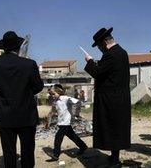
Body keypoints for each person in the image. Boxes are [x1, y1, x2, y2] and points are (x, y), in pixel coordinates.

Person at [0, 31, 44, 168]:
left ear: (3, 47)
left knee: (8, 150)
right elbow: (38, 86)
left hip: (4, 113)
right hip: (26, 113)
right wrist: (25, 93)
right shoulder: (29, 64)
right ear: (18, 47)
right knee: (28, 150)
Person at [84, 27, 131, 167]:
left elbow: (98, 73)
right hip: (118, 98)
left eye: (99, 46)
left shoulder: (111, 54)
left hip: (111, 100)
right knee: (114, 129)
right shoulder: (121, 52)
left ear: (104, 42)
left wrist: (90, 61)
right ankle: (114, 156)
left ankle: (115, 162)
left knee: (112, 129)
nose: (99, 49)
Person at [46, 84, 88, 161]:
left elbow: (78, 102)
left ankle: (56, 154)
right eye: (51, 95)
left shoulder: (66, 98)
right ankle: (83, 146)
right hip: (62, 123)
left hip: (65, 123)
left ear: (59, 92)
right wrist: (48, 121)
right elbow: (53, 111)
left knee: (58, 137)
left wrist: (76, 112)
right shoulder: (56, 101)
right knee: (73, 137)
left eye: (53, 94)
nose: (52, 96)